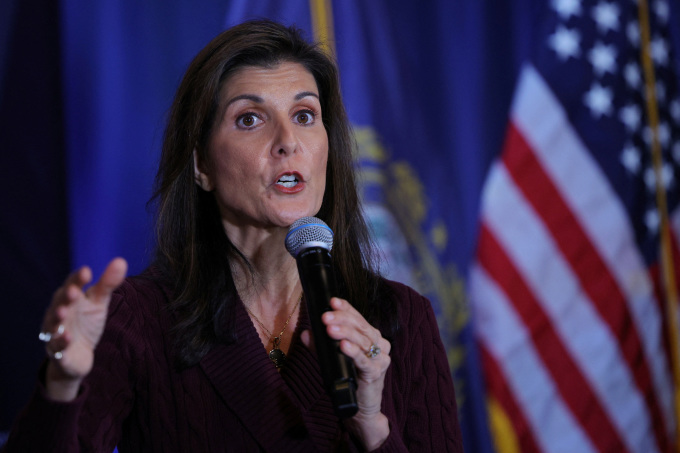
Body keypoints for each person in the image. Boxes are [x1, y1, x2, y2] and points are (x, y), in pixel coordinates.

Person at [3, 19, 463, 452]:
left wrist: (372, 426)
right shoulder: (136, 320)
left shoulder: (402, 318)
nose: (288, 141)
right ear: (201, 165)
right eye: (250, 119)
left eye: (304, 115)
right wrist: (61, 387)